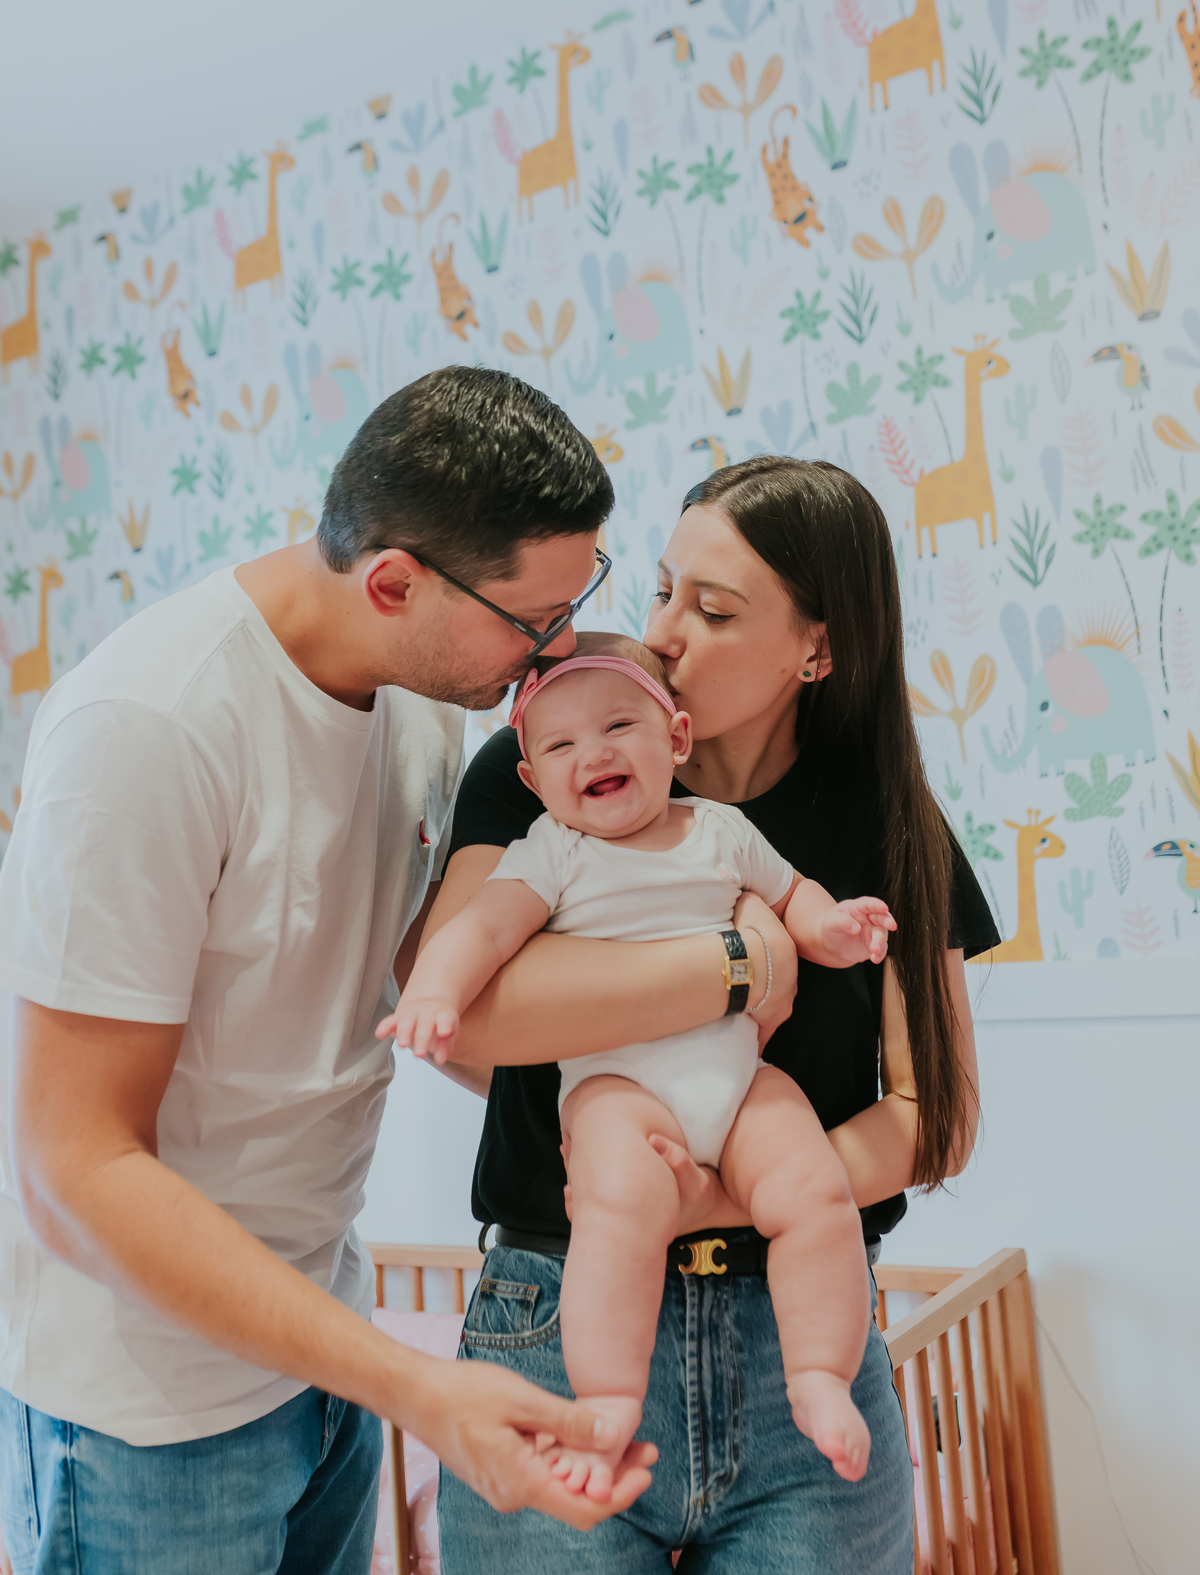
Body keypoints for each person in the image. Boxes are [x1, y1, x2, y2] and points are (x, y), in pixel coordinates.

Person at [0, 367, 659, 1575]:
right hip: (145, 1418)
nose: (555, 653)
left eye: (579, 604)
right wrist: (414, 1387)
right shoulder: (148, 729)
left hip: (317, 1350)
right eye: (534, 624)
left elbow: (403, 1005)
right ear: (396, 581)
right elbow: (72, 1163)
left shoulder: (418, 699)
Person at [429, 455, 1000, 1573]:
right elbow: (468, 1018)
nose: (666, 635)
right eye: (660, 591)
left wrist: (718, 1197)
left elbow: (937, 1118)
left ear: (817, 650)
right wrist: (738, 963)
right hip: (556, 1323)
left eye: (715, 609)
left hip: (807, 1334)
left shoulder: (885, 818)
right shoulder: (545, 762)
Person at [382, 635, 898, 1496]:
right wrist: (435, 992)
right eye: (560, 745)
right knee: (619, 1209)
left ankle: (817, 1374)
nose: (596, 752)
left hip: (740, 1077)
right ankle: (609, 1401)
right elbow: (478, 932)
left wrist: (833, 929)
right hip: (618, 1086)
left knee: (813, 1191)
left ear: (677, 739)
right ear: (534, 779)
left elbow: (791, 895)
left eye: (620, 724)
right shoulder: (552, 850)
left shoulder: (722, 831)